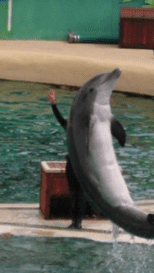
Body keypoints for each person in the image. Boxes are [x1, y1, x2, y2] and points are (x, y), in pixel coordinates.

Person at [48, 89, 125, 229]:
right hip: (79, 165)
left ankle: (76, 222)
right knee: (77, 193)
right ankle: (76, 222)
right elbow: (61, 121)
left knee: (78, 194)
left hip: (78, 165)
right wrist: (53, 104)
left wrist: (54, 105)